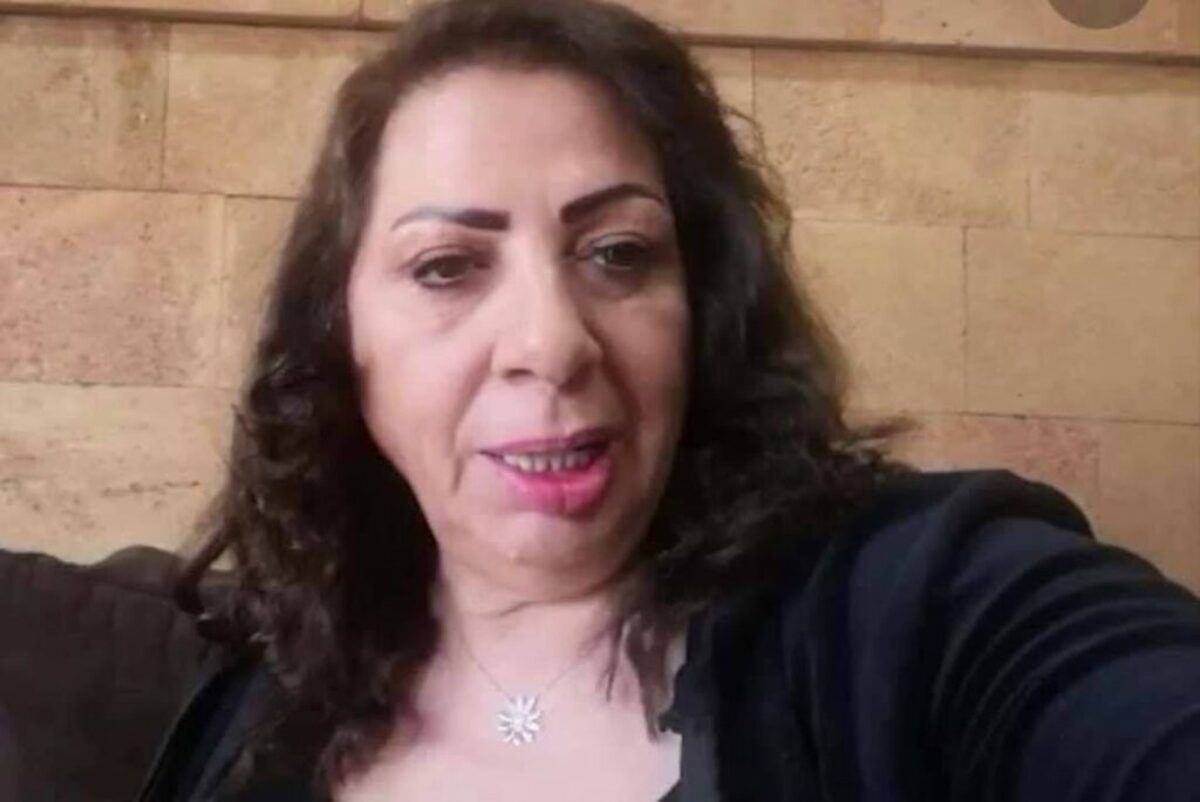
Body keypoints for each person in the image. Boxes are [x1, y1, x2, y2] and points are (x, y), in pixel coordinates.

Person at [139, 0, 1200, 799]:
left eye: (618, 252)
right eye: (447, 267)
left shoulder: (915, 605)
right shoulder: (257, 705)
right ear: (342, 342)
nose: (552, 343)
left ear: (704, 310)